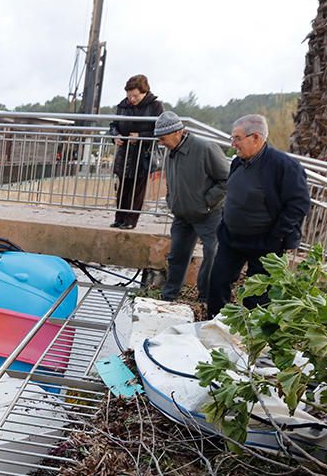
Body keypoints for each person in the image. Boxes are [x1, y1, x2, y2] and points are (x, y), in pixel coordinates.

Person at [206, 114, 310, 316]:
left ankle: (251, 335)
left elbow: (299, 203)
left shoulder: (284, 166)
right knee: (218, 281)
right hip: (232, 238)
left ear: (256, 138)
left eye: (237, 138)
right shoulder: (238, 162)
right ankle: (214, 323)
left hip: (265, 242)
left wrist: (277, 235)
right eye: (232, 138)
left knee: (258, 294)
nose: (233, 143)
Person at [152, 111, 230, 302]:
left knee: (212, 254)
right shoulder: (171, 151)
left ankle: (205, 297)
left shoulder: (205, 148)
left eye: (163, 138)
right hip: (182, 216)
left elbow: (227, 179)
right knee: (176, 256)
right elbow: (172, 181)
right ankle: (169, 295)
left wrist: (206, 202)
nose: (161, 143)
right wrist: (172, 200)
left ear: (177, 132)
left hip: (208, 215)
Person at [109, 74, 165, 229]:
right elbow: (113, 125)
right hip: (125, 152)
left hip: (143, 154)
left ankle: (131, 221)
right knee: (123, 188)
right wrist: (115, 136)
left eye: (135, 96)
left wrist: (141, 137)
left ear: (144, 92)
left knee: (137, 189)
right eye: (129, 95)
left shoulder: (155, 106)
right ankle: (119, 218)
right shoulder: (123, 105)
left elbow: (160, 130)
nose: (131, 99)